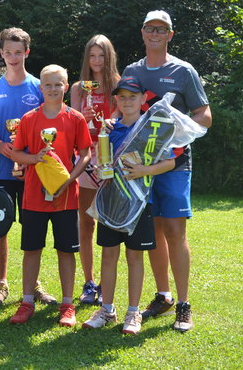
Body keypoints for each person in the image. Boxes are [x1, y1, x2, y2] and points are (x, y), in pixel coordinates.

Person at [122, 10, 212, 332]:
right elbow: (125, 108)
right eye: (150, 28)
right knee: (152, 231)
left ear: (170, 34)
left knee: (175, 231)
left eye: (162, 29)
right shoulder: (132, 70)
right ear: (143, 33)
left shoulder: (184, 70)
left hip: (174, 162)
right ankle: (163, 296)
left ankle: (184, 304)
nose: (155, 34)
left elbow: (205, 116)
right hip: (140, 165)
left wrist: (177, 129)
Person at [82, 76, 175, 335]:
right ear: (116, 100)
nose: (127, 101)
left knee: (135, 257)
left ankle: (133, 312)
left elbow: (169, 161)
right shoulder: (109, 129)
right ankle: (107, 309)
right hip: (111, 201)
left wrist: (146, 169)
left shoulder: (151, 129)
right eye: (122, 97)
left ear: (144, 99)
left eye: (133, 96)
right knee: (108, 255)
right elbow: (104, 163)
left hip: (140, 203)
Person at [8, 64, 92, 327]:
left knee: (66, 251)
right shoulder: (29, 119)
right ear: (40, 87)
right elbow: (16, 152)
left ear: (66, 86)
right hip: (33, 195)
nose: (53, 88)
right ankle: (27, 302)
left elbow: (86, 153)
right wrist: (34, 158)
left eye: (58, 84)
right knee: (32, 249)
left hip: (66, 196)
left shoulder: (75, 118)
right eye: (48, 84)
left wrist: (69, 179)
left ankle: (67, 305)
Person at [0, 27, 56, 306]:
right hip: (1, 170)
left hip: (32, 170)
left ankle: (34, 284)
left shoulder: (39, 87)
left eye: (18, 52)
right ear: (1, 53)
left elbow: (48, 124)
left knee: (33, 227)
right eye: (8, 52)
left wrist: (30, 156)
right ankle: (1, 284)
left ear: (27, 52)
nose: (13, 57)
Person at [69, 34, 120, 305]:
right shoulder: (79, 88)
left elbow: (127, 120)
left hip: (111, 162)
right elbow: (72, 123)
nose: (97, 61)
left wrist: (114, 121)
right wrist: (81, 117)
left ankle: (106, 281)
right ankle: (89, 282)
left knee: (108, 224)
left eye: (102, 55)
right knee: (85, 223)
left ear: (109, 57)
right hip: (86, 160)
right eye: (92, 55)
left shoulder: (119, 85)